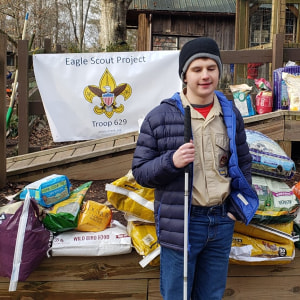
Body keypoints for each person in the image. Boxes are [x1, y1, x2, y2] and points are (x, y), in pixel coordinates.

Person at [132, 37, 259, 300]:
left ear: (219, 72)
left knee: (211, 295)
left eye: (211, 68)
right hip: (183, 223)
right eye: (197, 69)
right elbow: (141, 172)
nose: (205, 76)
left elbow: (244, 161)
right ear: (184, 76)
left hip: (222, 220)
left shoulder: (230, 114)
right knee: (177, 295)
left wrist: (236, 209)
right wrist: (172, 162)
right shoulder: (160, 117)